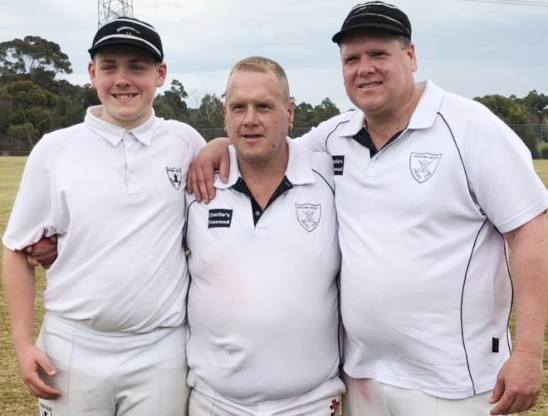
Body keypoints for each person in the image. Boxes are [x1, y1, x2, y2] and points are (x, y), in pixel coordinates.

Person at [187, 2, 548, 415]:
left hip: (452, 382)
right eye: (351, 59)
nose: (365, 68)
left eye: (379, 54)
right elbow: (268, 149)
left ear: (410, 56)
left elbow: (530, 232)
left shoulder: (470, 128)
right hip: (365, 377)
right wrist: (218, 145)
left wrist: (529, 353)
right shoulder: (336, 137)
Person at [2, 16, 204, 416]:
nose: (123, 79)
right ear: (92, 72)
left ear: (160, 74)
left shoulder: (185, 141)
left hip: (161, 347)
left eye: (138, 67)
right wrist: (24, 344)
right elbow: (15, 249)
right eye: (109, 66)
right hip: (73, 343)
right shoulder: (55, 148)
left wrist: (215, 144)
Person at [184, 56, 345, 416]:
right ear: (225, 115)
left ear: (289, 112)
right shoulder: (197, 183)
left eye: (264, 107)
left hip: (311, 402)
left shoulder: (330, 176)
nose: (250, 119)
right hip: (215, 402)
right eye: (238, 107)